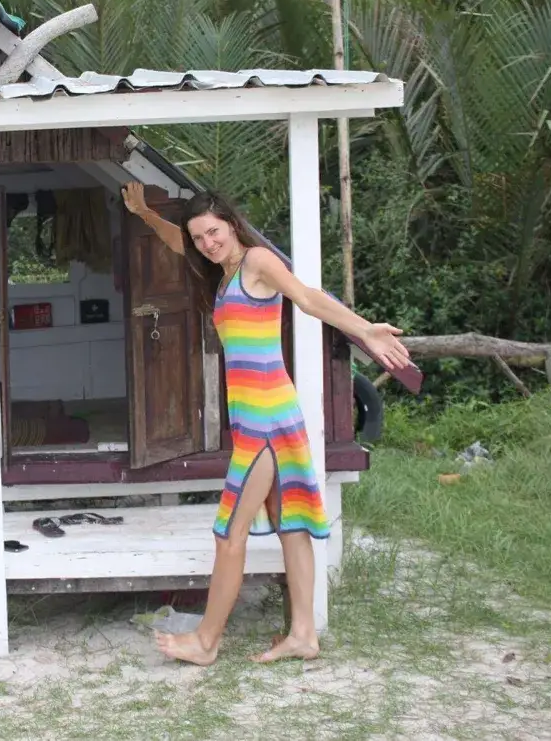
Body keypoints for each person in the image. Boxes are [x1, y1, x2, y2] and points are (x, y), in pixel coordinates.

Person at [120, 182, 410, 666]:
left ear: (230, 224)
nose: (207, 243)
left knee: (229, 533)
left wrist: (363, 329)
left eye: (213, 232)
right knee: (289, 525)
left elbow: (308, 297)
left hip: (266, 424)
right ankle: (302, 635)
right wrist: (145, 213)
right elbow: (176, 239)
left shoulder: (255, 263)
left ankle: (206, 641)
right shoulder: (224, 272)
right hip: (268, 417)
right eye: (200, 238)